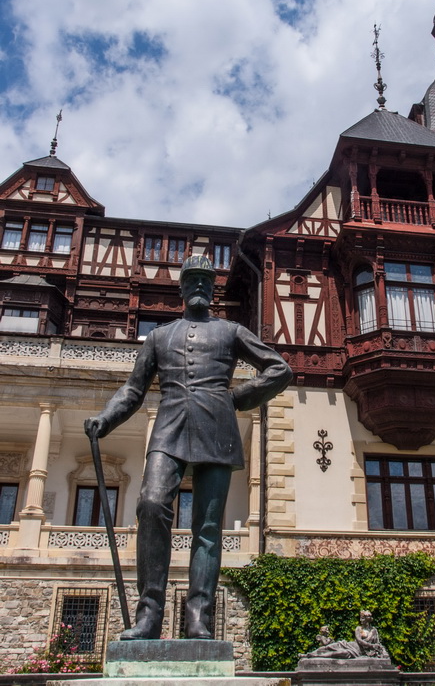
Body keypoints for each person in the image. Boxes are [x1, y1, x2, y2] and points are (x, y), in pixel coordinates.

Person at [84, 255, 292, 641]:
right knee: (150, 503)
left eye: (205, 281)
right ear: (180, 288)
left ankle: (199, 618)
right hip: (169, 426)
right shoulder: (160, 336)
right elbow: (133, 389)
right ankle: (148, 616)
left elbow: (279, 369)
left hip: (217, 427)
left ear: (212, 289)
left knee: (207, 528)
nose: (199, 286)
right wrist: (106, 419)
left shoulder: (231, 331)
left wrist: (237, 398)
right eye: (192, 280)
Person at [302, 610, 389, 659]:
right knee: (330, 647)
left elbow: (377, 643)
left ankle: (313, 656)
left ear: (368, 619)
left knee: (338, 653)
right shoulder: (358, 629)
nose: (361, 620)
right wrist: (371, 646)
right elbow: (359, 641)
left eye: (363, 618)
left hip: (358, 652)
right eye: (361, 618)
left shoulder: (373, 631)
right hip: (351, 646)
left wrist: (378, 649)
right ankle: (310, 654)